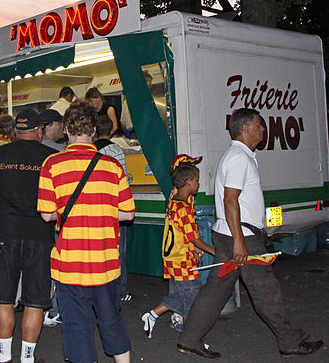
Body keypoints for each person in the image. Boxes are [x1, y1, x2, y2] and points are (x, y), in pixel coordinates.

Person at [177, 108, 323, 359]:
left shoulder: (240, 156)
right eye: (259, 125)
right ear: (245, 129)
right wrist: (239, 242)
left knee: (216, 290)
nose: (263, 129)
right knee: (265, 289)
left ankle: (189, 340)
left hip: (230, 233)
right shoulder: (238, 158)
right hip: (241, 235)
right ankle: (289, 341)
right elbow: (230, 200)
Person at [38, 101, 135, 363]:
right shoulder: (112, 166)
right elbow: (128, 213)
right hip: (105, 262)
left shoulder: (52, 164)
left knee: (77, 326)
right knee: (111, 320)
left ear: (67, 129)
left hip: (70, 263)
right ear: (93, 129)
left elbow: (47, 215)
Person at [0, 109, 57, 363]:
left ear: (15, 131)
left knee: (4, 298)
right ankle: (27, 359)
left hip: (5, 236)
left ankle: (3, 358)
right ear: (39, 130)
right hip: (40, 237)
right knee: (35, 300)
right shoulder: (52, 159)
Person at [141, 154, 214, 338]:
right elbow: (193, 238)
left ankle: (152, 316)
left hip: (174, 259)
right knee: (192, 299)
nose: (199, 184)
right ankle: (191, 339)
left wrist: (195, 250)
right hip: (182, 261)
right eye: (197, 180)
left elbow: (184, 235)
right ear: (188, 182)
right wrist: (212, 250)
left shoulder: (175, 197)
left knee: (179, 295)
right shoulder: (183, 208)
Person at [94, 115, 132, 302]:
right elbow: (122, 180)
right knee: (118, 251)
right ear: (111, 131)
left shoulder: (91, 150)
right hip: (115, 208)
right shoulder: (116, 150)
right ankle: (120, 290)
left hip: (95, 207)